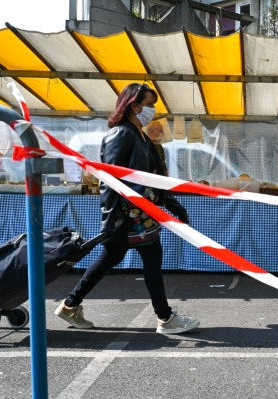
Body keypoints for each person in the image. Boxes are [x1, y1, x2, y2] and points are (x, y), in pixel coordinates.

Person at [55, 83, 200, 334]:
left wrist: (174, 205)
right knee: (151, 257)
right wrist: (109, 218)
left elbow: (155, 180)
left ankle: (70, 305)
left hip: (139, 211)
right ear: (134, 105)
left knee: (111, 257)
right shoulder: (122, 134)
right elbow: (108, 178)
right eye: (150, 104)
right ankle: (165, 319)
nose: (153, 110)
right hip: (130, 213)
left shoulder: (142, 137)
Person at [146, 121, 190, 224]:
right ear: (151, 131)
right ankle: (182, 215)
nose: (163, 133)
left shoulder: (159, 147)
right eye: (160, 131)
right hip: (150, 184)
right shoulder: (145, 145)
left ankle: (182, 215)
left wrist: (167, 180)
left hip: (160, 183)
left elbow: (163, 165)